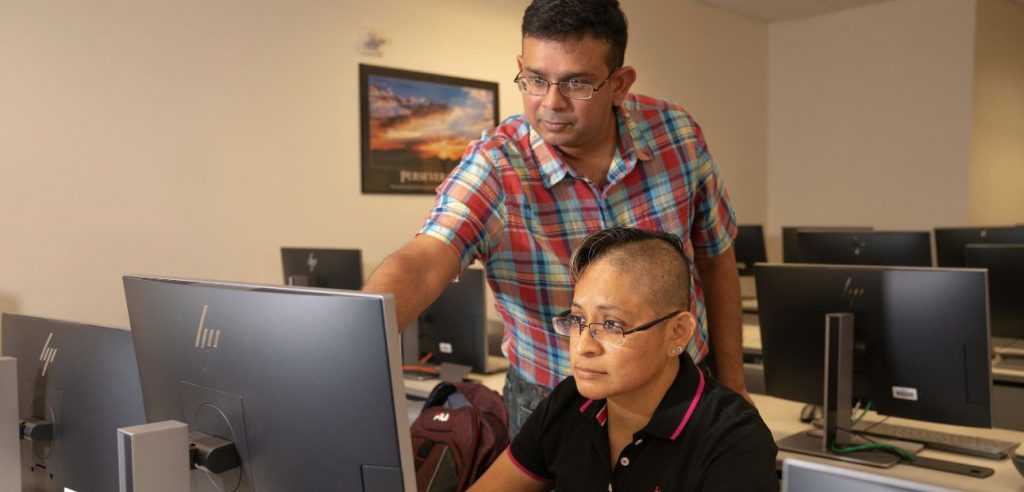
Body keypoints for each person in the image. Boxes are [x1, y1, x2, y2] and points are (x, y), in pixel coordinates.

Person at [362, 0, 747, 436]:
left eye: (577, 83)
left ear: (619, 84)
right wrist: (352, 340)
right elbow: (422, 261)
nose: (551, 103)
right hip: (551, 399)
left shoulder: (676, 135)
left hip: (677, 388)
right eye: (535, 80)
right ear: (521, 67)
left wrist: (733, 383)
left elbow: (716, 259)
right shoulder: (495, 166)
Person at [468, 227, 778, 491]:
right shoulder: (569, 403)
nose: (584, 347)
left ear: (677, 333)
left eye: (612, 325)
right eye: (577, 320)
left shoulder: (733, 441)